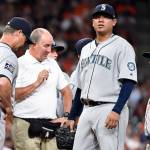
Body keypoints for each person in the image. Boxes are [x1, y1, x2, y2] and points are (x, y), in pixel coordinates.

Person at [68, 4, 137, 150]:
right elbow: (81, 86)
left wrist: (117, 110)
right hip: (86, 109)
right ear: (92, 22)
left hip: (109, 107)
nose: (101, 20)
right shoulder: (86, 49)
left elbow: (129, 81)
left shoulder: (123, 47)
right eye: (97, 17)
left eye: (106, 17)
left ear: (114, 22)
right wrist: (72, 116)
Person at [12, 28, 72, 150]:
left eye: (51, 46)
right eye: (46, 46)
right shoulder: (19, 64)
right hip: (25, 124)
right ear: (33, 44)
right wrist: (36, 83)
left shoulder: (52, 64)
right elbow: (13, 95)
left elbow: (67, 92)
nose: (49, 50)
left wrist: (66, 116)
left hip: (50, 124)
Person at [0, 17, 32, 150]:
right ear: (19, 33)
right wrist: (8, 108)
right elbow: (2, 83)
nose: (24, 43)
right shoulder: (8, 55)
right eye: (25, 39)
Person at [48, 42, 69, 117]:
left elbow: (70, 97)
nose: (56, 55)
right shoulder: (34, 72)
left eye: (56, 51)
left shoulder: (64, 76)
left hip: (59, 118)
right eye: (52, 51)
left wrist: (66, 117)